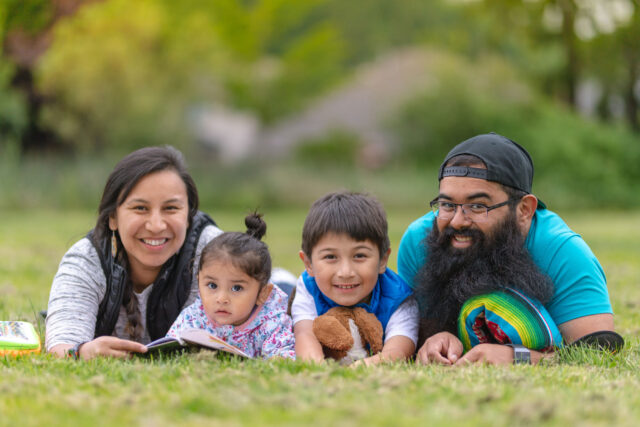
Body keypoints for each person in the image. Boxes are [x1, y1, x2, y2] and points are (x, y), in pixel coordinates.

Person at [397, 132, 616, 365]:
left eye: (478, 206)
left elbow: (597, 352)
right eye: (447, 205)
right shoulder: (418, 241)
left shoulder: (564, 252)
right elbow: (405, 332)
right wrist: (432, 339)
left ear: (524, 210)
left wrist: (519, 357)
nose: (457, 221)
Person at [46, 146, 223, 359]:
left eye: (171, 208)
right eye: (140, 208)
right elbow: (62, 344)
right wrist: (83, 351)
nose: (156, 225)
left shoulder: (214, 252)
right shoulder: (86, 259)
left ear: (188, 217)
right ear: (113, 217)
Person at [292, 191, 418, 365]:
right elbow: (304, 334)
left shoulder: (398, 296)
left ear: (382, 260)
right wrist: (317, 367)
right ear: (309, 264)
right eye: (330, 257)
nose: (346, 272)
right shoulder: (308, 287)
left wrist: (365, 366)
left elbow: (399, 348)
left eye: (359, 255)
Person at [167, 213, 295, 359]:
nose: (221, 299)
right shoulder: (195, 316)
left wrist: (278, 358)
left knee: (287, 287)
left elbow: (284, 353)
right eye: (212, 285)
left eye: (236, 288)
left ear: (262, 294)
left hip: (284, 291)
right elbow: (171, 346)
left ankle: (284, 278)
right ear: (199, 281)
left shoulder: (272, 320)